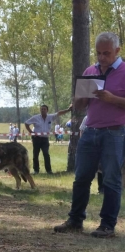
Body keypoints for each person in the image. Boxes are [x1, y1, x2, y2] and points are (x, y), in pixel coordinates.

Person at [54, 32, 125, 238]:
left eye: (106, 53)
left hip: (115, 133)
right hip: (90, 131)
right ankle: (75, 220)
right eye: (99, 53)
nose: (102, 57)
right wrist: (79, 98)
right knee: (81, 178)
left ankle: (107, 225)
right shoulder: (90, 71)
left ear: (117, 51)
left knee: (111, 179)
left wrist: (113, 99)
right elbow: (80, 106)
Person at [25, 104, 71, 174]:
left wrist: (68, 110)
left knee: (46, 154)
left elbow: (59, 113)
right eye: (41, 109)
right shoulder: (35, 117)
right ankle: (36, 170)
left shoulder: (50, 117)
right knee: (35, 154)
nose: (43, 110)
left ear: (47, 110)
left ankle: (49, 170)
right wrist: (31, 132)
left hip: (45, 139)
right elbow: (26, 123)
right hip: (36, 138)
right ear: (40, 110)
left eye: (44, 109)